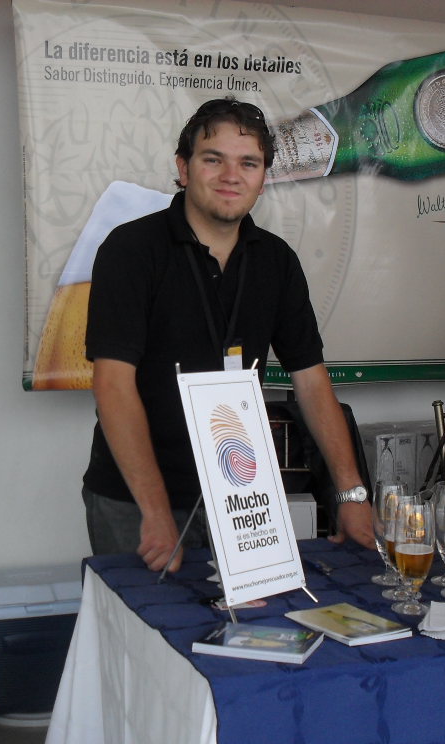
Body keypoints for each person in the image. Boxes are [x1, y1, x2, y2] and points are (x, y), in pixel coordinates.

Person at [82, 97, 373, 572]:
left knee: (250, 619)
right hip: (134, 502)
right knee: (144, 619)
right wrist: (156, 511)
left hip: (238, 499)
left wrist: (351, 492)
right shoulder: (131, 250)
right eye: (213, 159)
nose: (231, 176)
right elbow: (113, 385)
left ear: (263, 177)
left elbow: (312, 382)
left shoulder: (276, 261)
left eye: (248, 163)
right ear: (184, 168)